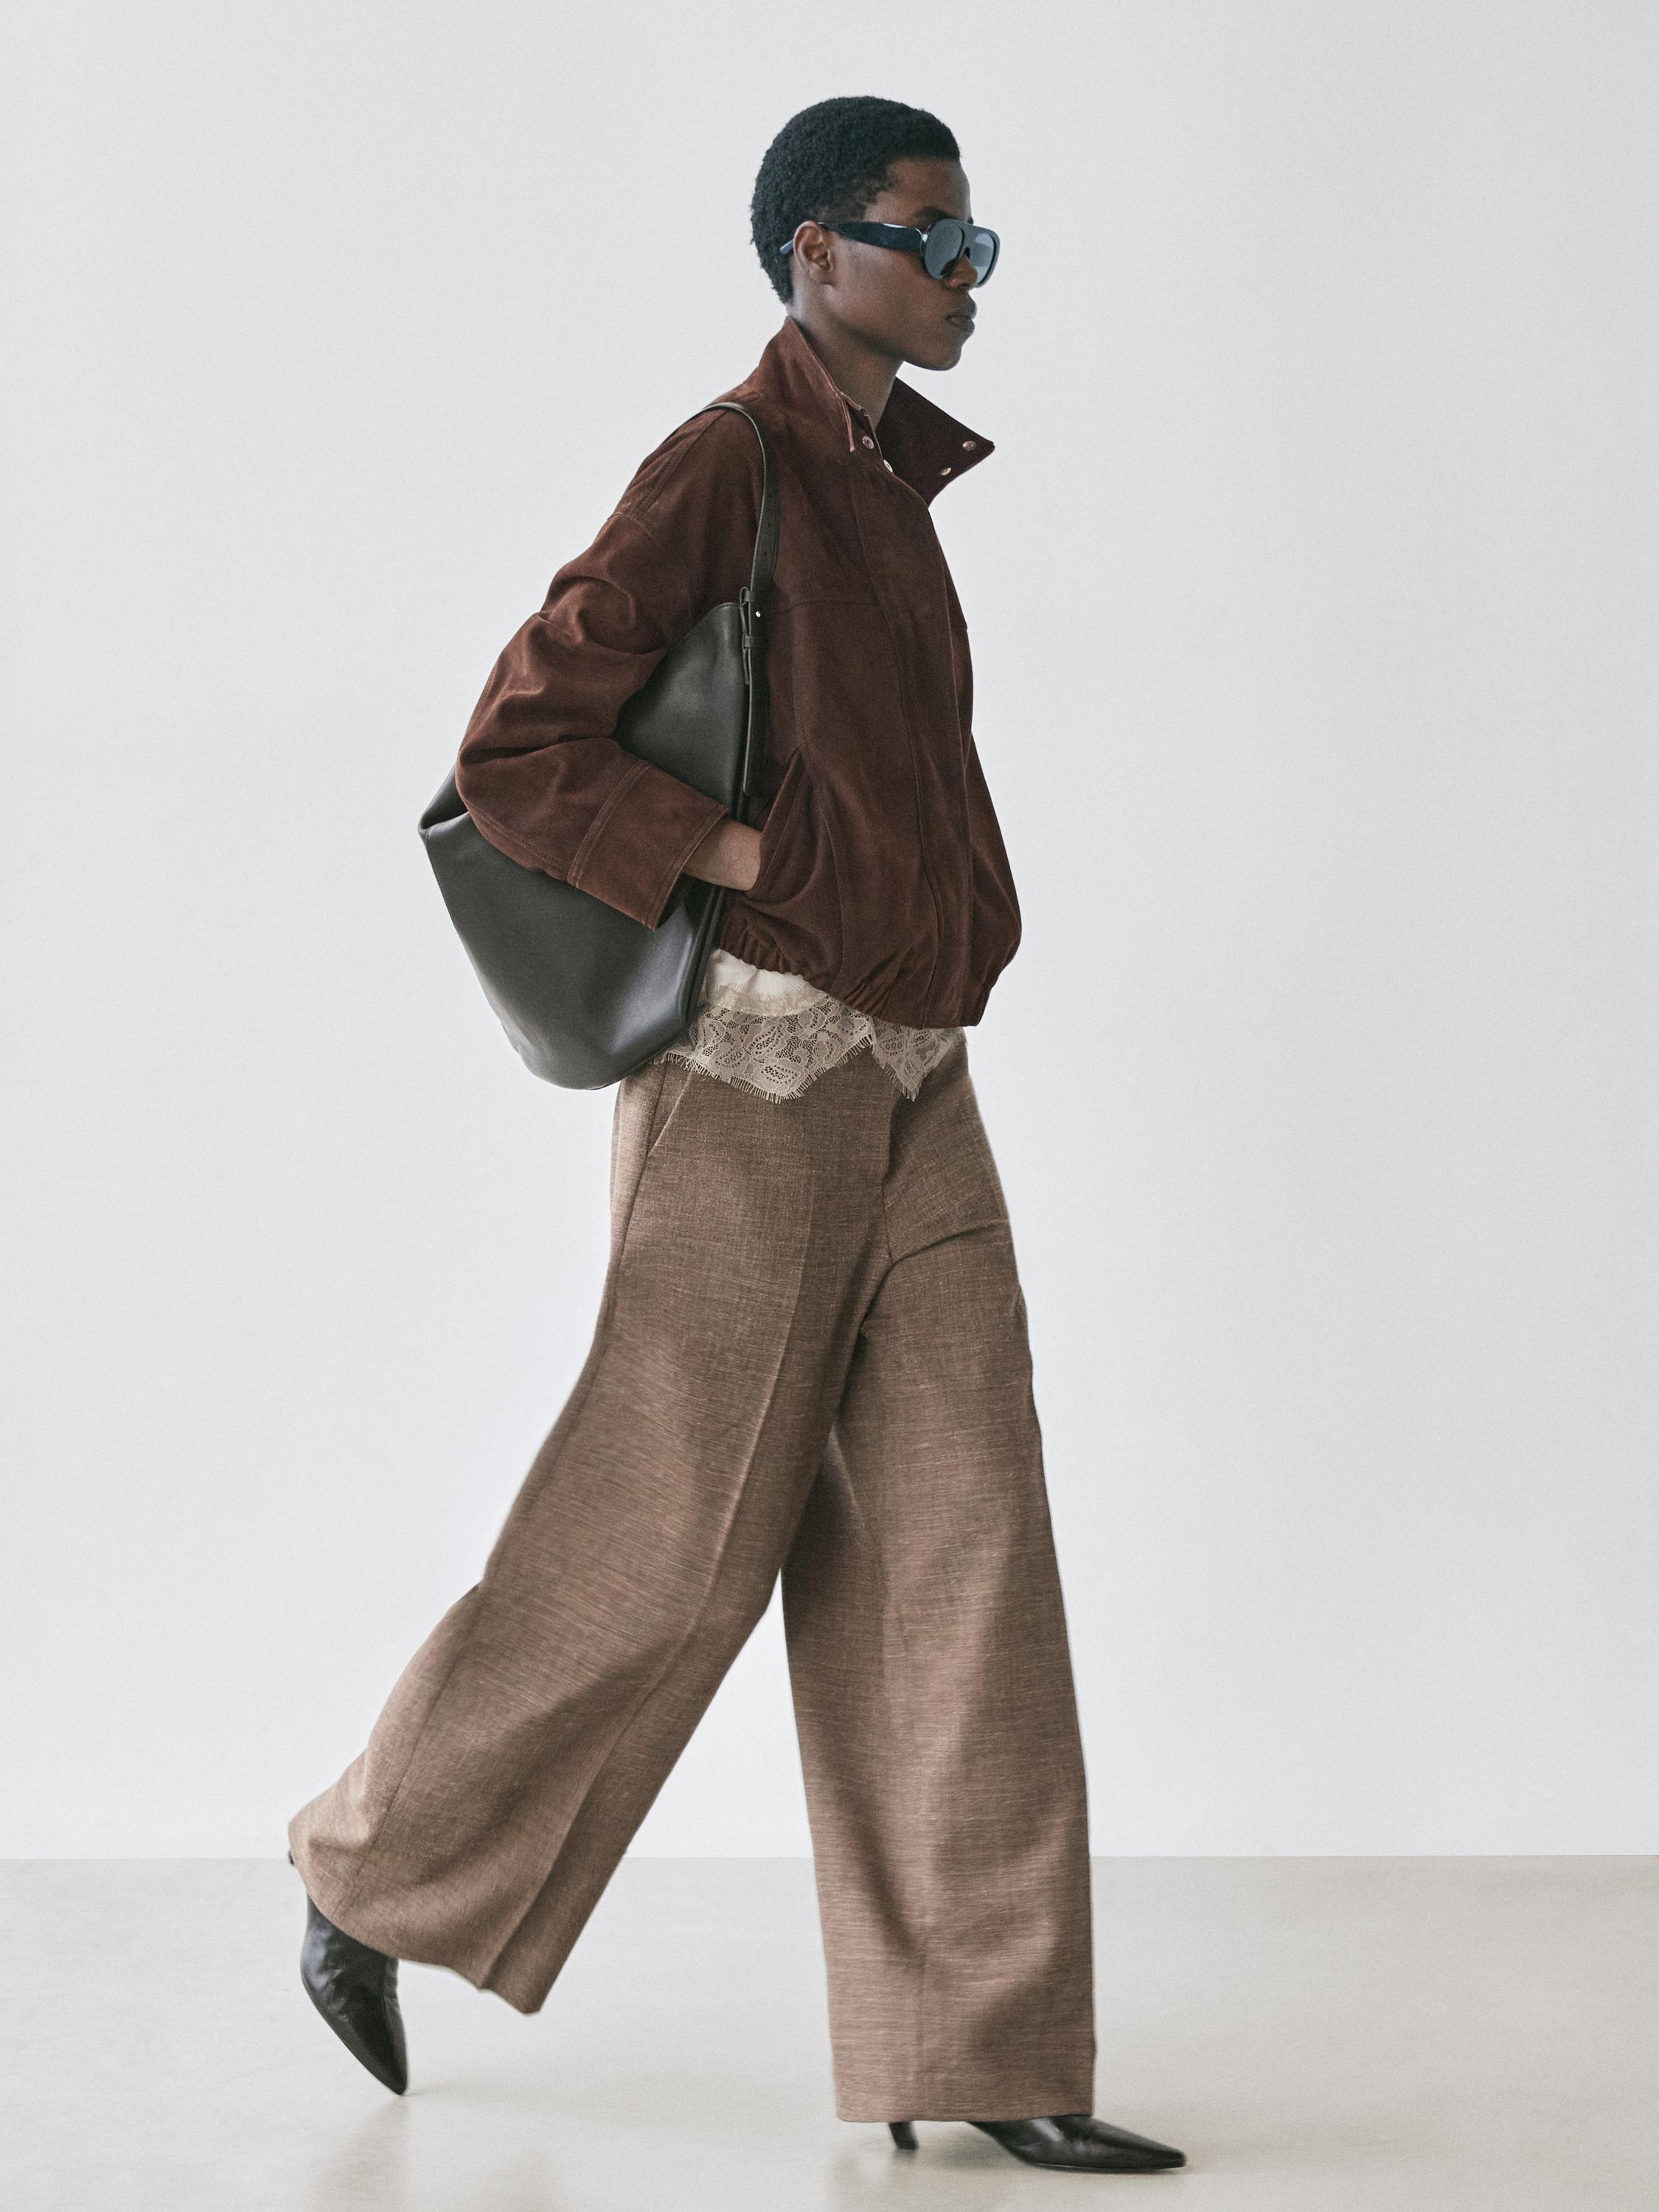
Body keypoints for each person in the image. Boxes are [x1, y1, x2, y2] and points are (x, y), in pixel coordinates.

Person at [287, 94, 1186, 2179]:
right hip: (757, 1077)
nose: (965, 279)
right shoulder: (729, 463)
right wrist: (753, 859)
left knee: (968, 1551)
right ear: (814, 256)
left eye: (976, 246)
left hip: (915, 1073)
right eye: (929, 241)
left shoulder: (884, 483)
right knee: (671, 1544)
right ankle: (371, 1873)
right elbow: (516, 750)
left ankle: (979, 2044)